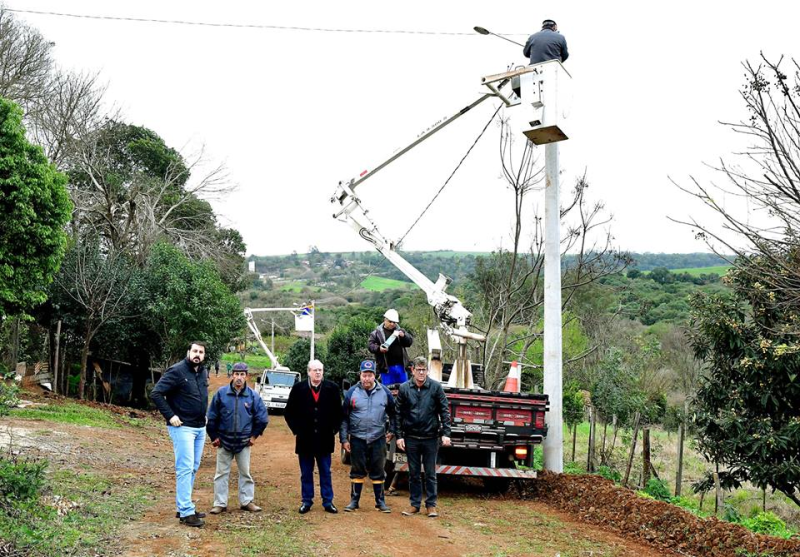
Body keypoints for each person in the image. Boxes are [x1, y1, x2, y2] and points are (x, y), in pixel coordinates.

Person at [150, 341, 210, 528]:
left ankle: (183, 505)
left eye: (200, 352)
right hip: (182, 427)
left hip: (200, 427)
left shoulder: (203, 372)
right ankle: (186, 512)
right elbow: (156, 393)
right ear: (188, 352)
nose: (197, 354)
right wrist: (170, 416)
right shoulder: (176, 371)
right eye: (194, 351)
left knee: (193, 467)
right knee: (184, 468)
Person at [206, 362, 269, 515]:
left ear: (246, 376)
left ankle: (246, 501)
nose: (239, 378)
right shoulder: (221, 394)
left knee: (245, 472)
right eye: (236, 374)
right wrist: (213, 436)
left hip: (244, 442)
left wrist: (254, 436)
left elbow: (262, 418)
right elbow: (212, 417)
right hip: (224, 441)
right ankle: (220, 503)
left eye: (242, 374)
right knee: (221, 473)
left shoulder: (253, 396)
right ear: (232, 375)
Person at [284, 359, 343, 514]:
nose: (318, 373)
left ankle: (328, 501)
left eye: (320, 370)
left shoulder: (332, 388)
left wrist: (333, 431)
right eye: (315, 370)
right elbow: (289, 412)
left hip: (325, 439)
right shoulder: (298, 389)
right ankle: (306, 501)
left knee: (325, 471)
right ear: (308, 371)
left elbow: (339, 413)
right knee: (306, 473)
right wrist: (297, 430)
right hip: (305, 440)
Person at [396, 356, 451, 518]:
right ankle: (414, 504)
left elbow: (444, 411)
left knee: (430, 473)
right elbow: (398, 414)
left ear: (427, 371)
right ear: (412, 370)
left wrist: (446, 433)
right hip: (411, 437)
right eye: (418, 370)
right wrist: (399, 436)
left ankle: (431, 505)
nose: (421, 373)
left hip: (430, 438)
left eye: (424, 370)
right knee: (413, 473)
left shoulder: (435, 388)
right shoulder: (405, 389)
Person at [340, 359, 397, 513]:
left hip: (378, 438)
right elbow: (344, 418)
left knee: (378, 470)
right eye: (364, 375)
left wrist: (392, 430)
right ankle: (354, 501)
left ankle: (380, 502)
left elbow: (393, 414)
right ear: (360, 375)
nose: (367, 378)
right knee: (357, 470)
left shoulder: (385, 392)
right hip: (357, 438)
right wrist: (344, 439)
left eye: (370, 375)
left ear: (374, 376)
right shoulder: (352, 392)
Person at [368, 309, 413, 385]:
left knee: (404, 390)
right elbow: (370, 345)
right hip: (386, 368)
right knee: (388, 391)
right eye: (390, 321)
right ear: (385, 320)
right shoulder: (376, 333)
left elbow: (409, 342)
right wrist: (379, 349)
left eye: (394, 322)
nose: (392, 324)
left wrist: (403, 336)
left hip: (401, 367)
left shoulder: (400, 331)